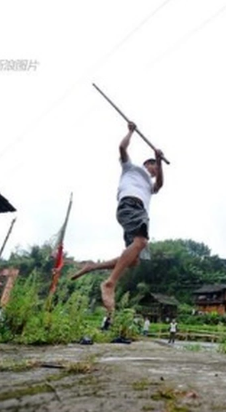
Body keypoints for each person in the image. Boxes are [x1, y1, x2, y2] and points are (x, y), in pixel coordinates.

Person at [71, 121, 164, 321]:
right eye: (153, 165)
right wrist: (130, 131)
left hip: (139, 212)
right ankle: (110, 283)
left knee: (134, 260)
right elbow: (122, 148)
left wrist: (161, 160)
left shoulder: (150, 185)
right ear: (146, 164)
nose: (155, 169)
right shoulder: (131, 169)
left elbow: (160, 185)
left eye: (156, 167)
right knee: (141, 242)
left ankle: (91, 267)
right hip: (130, 205)